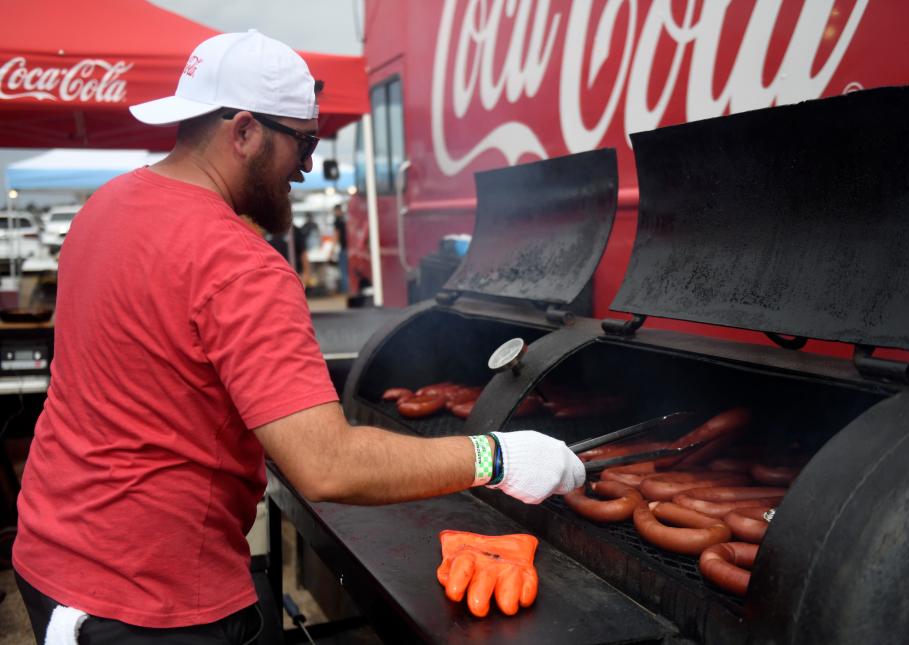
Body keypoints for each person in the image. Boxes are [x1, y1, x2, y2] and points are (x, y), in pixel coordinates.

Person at [11, 30, 584, 644]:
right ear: (245, 132)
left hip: (51, 557)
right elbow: (326, 466)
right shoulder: (238, 263)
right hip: (152, 603)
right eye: (305, 141)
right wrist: (498, 457)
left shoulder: (106, 208)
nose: (309, 167)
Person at [332, 203, 349, 294]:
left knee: (343, 270)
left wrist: (332, 250)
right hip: (349, 248)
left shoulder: (337, 221)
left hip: (343, 249)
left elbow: (336, 236)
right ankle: (349, 288)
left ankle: (345, 290)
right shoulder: (346, 219)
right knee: (347, 270)